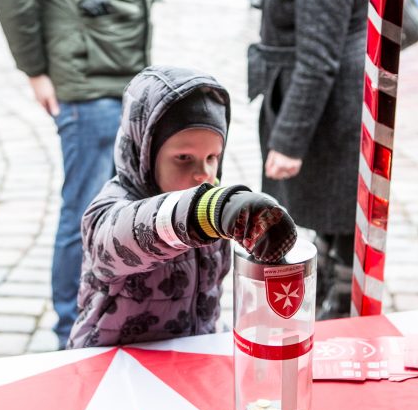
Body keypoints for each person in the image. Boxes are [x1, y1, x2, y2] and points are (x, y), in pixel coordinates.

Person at [66, 65, 297, 348]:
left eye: (212, 157)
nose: (203, 173)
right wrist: (206, 211)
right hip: (111, 364)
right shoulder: (107, 212)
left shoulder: (214, 214)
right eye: (184, 157)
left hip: (189, 358)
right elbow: (128, 234)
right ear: (145, 151)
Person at [0, 0, 152, 348]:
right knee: (85, 213)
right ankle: (71, 330)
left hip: (115, 76)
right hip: (87, 86)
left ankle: (108, 317)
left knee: (119, 209)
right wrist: (35, 69)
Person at [232, 0, 370, 319]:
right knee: (327, 214)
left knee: (336, 219)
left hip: (330, 108)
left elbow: (318, 55)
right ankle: (326, 300)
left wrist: (290, 139)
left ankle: (338, 314)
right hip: (324, 103)